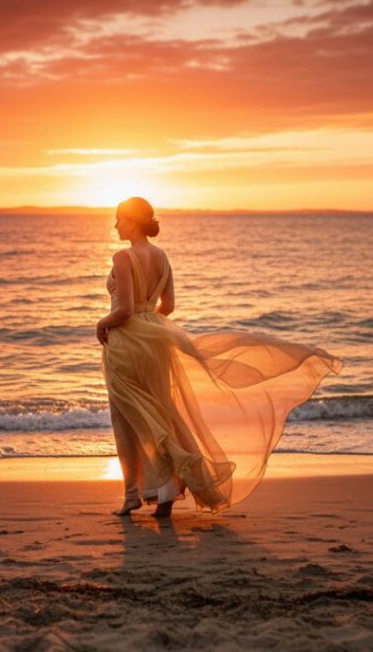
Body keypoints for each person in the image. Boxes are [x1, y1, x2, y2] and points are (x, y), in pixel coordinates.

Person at [98, 197, 341, 517]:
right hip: (156, 344)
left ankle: (133, 495)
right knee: (162, 414)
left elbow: (125, 309)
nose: (116, 225)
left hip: (127, 343)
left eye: (119, 219)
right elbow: (167, 307)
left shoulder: (123, 257)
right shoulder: (162, 257)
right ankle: (167, 488)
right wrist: (150, 322)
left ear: (131, 221)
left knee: (129, 419)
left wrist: (103, 323)